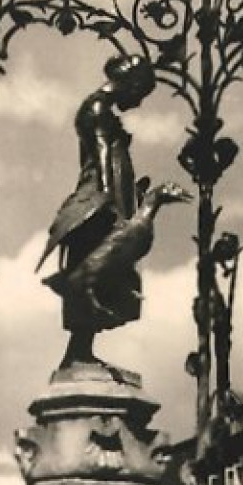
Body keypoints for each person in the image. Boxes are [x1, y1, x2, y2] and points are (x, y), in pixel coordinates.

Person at [36, 54, 158, 366]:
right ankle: (77, 352)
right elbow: (103, 158)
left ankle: (79, 351)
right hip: (100, 204)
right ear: (130, 84)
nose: (139, 102)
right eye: (140, 93)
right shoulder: (98, 109)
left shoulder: (99, 108)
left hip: (106, 199)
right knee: (93, 271)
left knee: (99, 275)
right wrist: (111, 205)